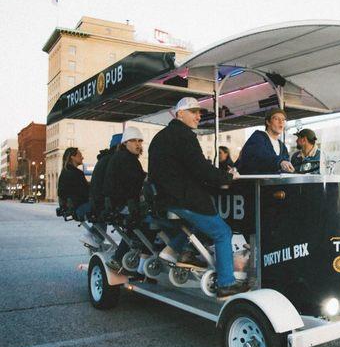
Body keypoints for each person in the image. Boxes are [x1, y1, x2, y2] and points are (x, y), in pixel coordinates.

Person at [148, 97, 248, 297]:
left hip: (164, 200)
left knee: (196, 225)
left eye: (199, 112)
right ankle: (226, 283)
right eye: (193, 112)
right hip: (183, 198)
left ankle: (173, 250)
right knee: (222, 232)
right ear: (180, 114)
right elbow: (200, 168)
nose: (198, 116)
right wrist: (226, 177)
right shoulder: (184, 136)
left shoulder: (159, 137)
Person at [103, 127, 152, 275]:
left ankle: (120, 258)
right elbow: (133, 185)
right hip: (123, 205)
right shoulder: (127, 159)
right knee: (152, 221)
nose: (138, 144)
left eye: (140, 141)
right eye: (133, 141)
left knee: (141, 222)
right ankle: (141, 265)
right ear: (125, 143)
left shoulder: (124, 158)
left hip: (116, 204)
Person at [57, 147, 102, 248]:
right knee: (103, 209)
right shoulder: (75, 173)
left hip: (73, 207)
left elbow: (63, 192)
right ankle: (91, 236)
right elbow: (85, 192)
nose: (82, 157)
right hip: (79, 207)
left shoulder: (65, 172)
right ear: (72, 157)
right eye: (80, 155)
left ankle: (94, 237)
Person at [235, 109, 294, 174]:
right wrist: (280, 162)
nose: (281, 122)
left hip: (271, 183)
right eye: (276, 119)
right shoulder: (258, 137)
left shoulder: (282, 146)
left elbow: (286, 162)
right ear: (268, 122)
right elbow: (261, 156)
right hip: (254, 182)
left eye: (283, 120)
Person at [90, 133, 122, 215]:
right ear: (119, 146)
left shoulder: (105, 159)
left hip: (98, 202)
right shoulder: (114, 160)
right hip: (106, 204)